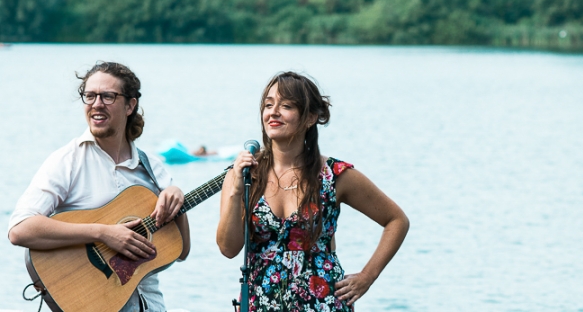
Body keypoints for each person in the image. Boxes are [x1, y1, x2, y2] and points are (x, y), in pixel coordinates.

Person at [217, 71, 409, 311]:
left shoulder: (334, 175)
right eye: (268, 104)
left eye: (285, 105)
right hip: (261, 302)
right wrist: (236, 190)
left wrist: (367, 277)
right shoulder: (243, 175)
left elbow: (397, 220)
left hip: (322, 303)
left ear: (309, 118)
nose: (273, 112)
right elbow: (228, 249)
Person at [8, 61, 191, 312]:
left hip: (151, 306)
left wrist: (176, 196)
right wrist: (102, 233)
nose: (96, 104)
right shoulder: (68, 161)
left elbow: (181, 251)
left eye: (108, 96)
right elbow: (20, 229)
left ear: (130, 105)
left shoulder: (152, 168)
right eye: (90, 96)